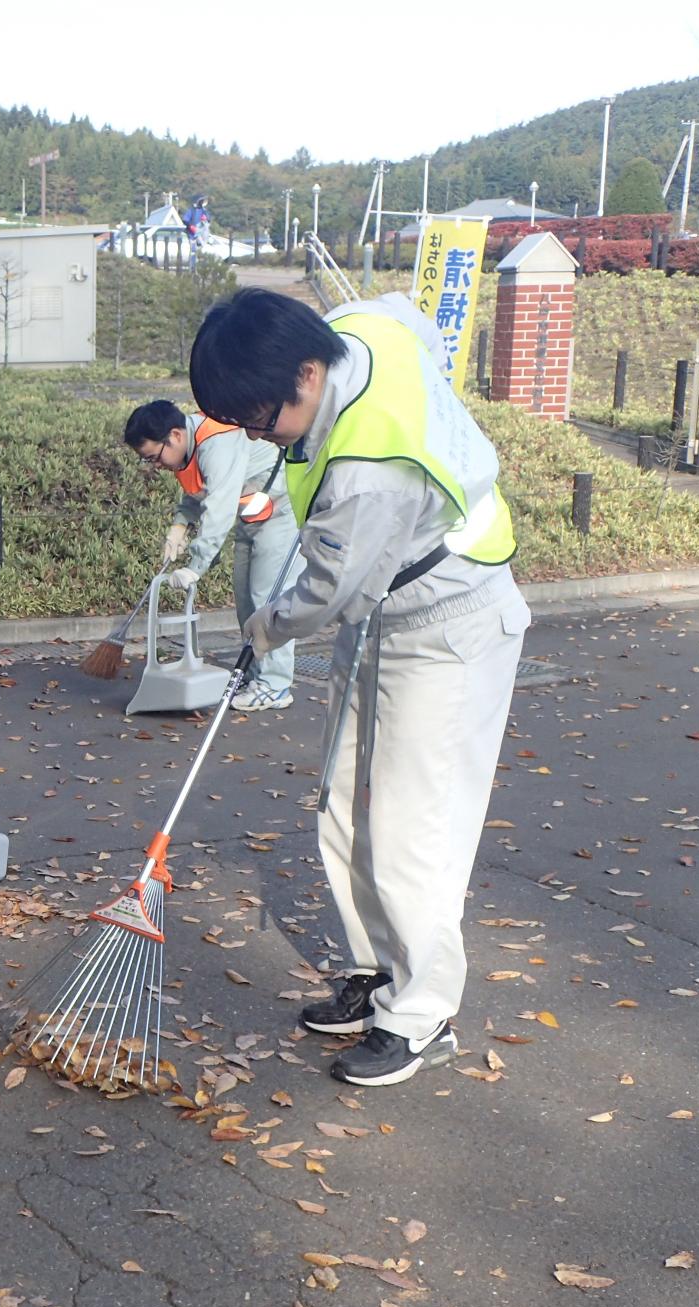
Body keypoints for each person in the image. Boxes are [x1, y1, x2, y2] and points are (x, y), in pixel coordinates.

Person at [189, 288, 531, 1087]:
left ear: (306, 373)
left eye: (259, 416)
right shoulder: (356, 329)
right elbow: (409, 314)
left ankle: (422, 1015)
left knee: (414, 829)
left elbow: (328, 590)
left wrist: (260, 630)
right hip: (385, 614)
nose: (255, 434)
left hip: (449, 624)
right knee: (344, 804)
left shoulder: (371, 469)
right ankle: (378, 970)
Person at [123, 398, 300, 710]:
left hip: (283, 511)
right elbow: (197, 488)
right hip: (255, 516)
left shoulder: (217, 443)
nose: (156, 466)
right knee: (247, 601)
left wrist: (196, 566)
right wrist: (180, 524)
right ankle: (256, 675)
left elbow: (218, 507)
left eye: (153, 457)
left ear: (174, 436)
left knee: (268, 599)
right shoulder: (188, 445)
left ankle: (275, 686)